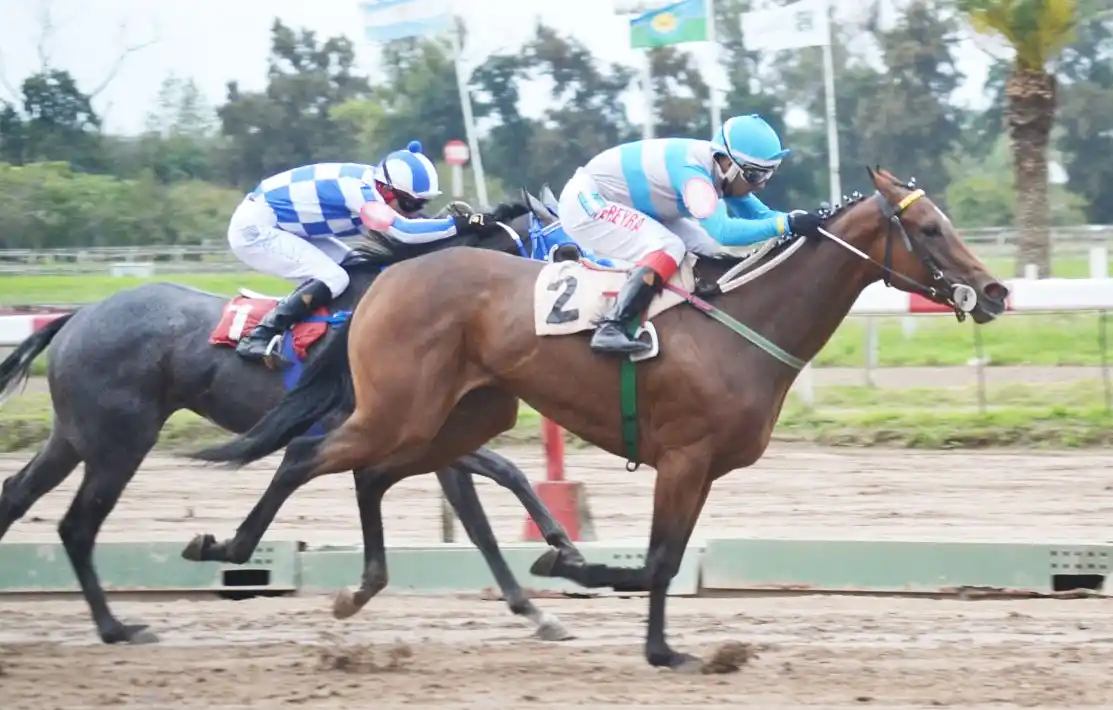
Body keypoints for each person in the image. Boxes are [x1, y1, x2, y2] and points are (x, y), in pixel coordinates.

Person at [555, 114, 825, 356]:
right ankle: (612, 326)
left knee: (708, 248)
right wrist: (786, 224)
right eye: (755, 175)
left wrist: (802, 220)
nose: (762, 185)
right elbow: (725, 231)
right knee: (669, 246)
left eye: (769, 175)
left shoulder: (721, 169)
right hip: (587, 201)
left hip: (627, 203)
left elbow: (760, 216)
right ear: (726, 162)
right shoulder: (695, 177)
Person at [226, 140, 510, 363]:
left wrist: (459, 224)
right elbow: (405, 232)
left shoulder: (378, 186)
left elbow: (412, 226)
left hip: (289, 227)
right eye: (411, 204)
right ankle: (261, 335)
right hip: (255, 230)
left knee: (357, 268)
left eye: (421, 204)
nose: (416, 211)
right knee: (334, 278)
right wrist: (460, 224)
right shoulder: (362, 194)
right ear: (387, 190)